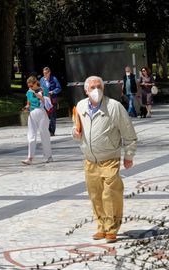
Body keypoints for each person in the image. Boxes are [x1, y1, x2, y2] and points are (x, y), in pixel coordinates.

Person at [73, 76, 137, 243]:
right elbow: (77, 129)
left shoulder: (114, 107)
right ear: (86, 90)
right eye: (93, 87)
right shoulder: (80, 106)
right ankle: (101, 226)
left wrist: (128, 156)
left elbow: (129, 134)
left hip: (110, 158)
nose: (96, 90)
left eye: (99, 87)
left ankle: (111, 228)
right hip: (90, 160)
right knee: (95, 196)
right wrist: (75, 134)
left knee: (110, 194)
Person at [21, 76, 52, 165]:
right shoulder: (29, 92)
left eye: (31, 86)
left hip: (41, 112)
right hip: (32, 113)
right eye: (29, 86)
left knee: (44, 134)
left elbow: (49, 104)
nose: (30, 88)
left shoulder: (43, 89)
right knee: (31, 135)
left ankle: (48, 156)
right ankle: (30, 158)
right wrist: (26, 107)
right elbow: (28, 104)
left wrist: (41, 97)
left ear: (35, 83)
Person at [39, 67, 62, 136]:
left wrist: (53, 91)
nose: (44, 74)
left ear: (49, 73)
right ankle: (48, 131)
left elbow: (59, 88)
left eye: (46, 73)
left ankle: (52, 131)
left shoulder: (54, 79)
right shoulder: (42, 80)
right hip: (45, 100)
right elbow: (39, 88)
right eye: (44, 73)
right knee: (45, 116)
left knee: (52, 117)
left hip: (52, 100)